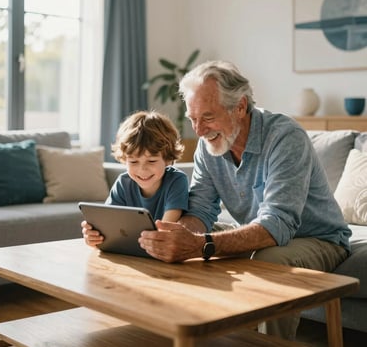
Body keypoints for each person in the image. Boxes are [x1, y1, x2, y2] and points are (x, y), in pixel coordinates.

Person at [138, 60, 351, 340]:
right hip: (262, 232)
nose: (198, 130)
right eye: (193, 119)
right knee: (177, 249)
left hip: (318, 238)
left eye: (208, 117)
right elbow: (200, 211)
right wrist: (173, 236)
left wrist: (202, 243)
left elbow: (278, 223)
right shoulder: (208, 146)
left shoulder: (285, 137)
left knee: (270, 261)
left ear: (239, 107)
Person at [82, 110, 189, 247]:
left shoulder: (177, 181)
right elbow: (110, 226)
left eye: (151, 161)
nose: (142, 170)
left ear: (167, 159)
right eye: (133, 162)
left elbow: (164, 231)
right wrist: (95, 236)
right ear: (124, 160)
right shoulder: (123, 183)